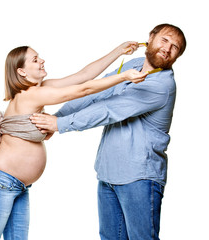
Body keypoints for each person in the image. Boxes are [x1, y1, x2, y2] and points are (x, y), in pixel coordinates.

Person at [0, 42, 148, 240]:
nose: (42, 61)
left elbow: (84, 76)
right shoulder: (31, 95)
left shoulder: (41, 89)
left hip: (17, 185)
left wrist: (119, 51)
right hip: (0, 182)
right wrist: (124, 76)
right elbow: (83, 90)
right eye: (35, 59)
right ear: (21, 71)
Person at [30, 23, 187, 240]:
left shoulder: (161, 85)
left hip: (139, 178)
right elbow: (96, 92)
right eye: (164, 40)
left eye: (175, 47)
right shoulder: (133, 64)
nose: (168, 48)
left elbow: (109, 109)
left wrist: (61, 124)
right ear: (150, 38)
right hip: (108, 173)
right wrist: (58, 117)